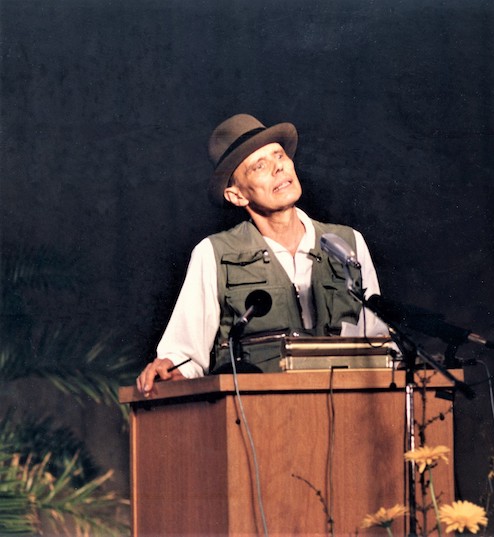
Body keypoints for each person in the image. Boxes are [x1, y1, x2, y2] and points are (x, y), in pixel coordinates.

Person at [137, 114, 388, 397]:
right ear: (237, 195)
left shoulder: (347, 242)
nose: (278, 167)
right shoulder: (213, 254)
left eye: (279, 155)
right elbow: (184, 355)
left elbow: (378, 340)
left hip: (347, 409)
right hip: (259, 421)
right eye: (260, 165)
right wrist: (170, 368)